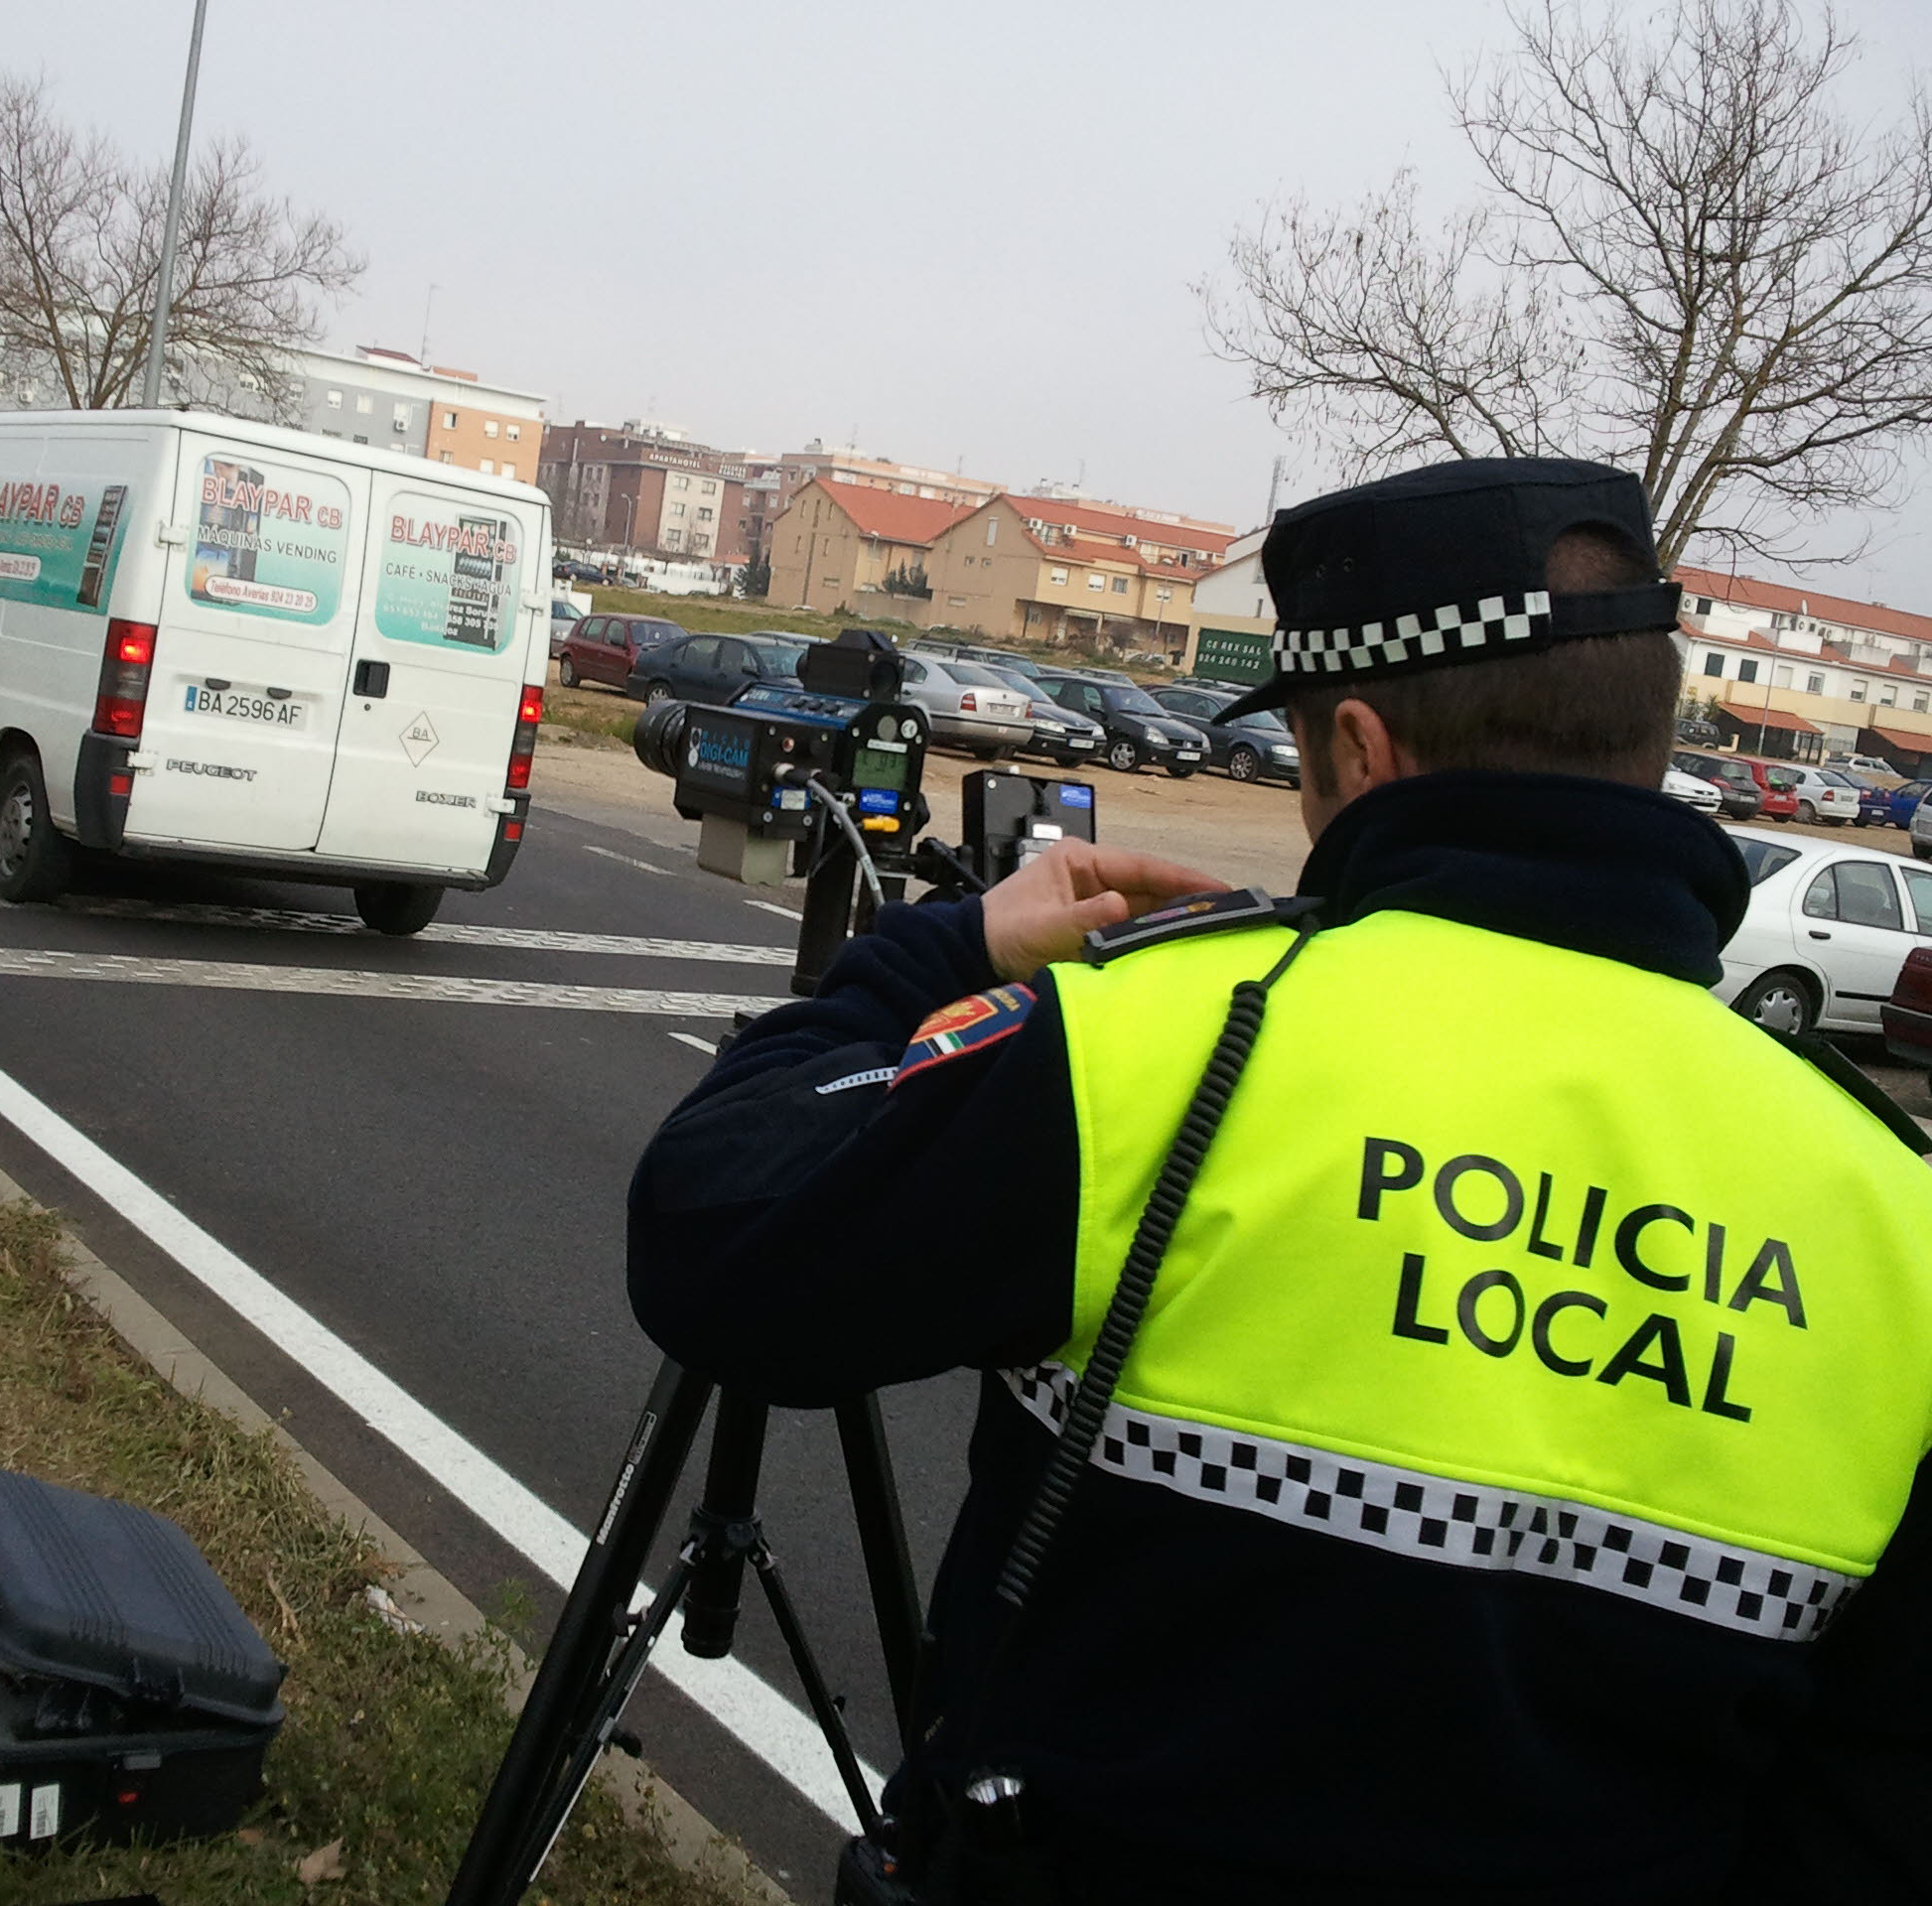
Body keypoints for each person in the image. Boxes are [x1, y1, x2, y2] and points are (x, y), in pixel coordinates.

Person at [626, 459, 1932, 1904]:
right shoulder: (1892, 1208)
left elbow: (718, 1236)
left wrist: (939, 959)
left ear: (1361, 752)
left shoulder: (1162, 1045)